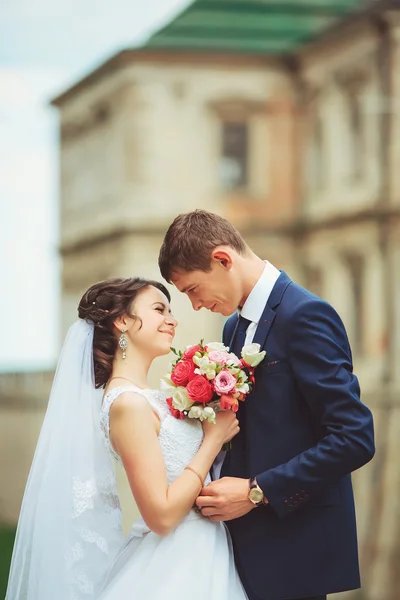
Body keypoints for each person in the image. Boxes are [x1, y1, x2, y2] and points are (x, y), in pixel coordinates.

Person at [158, 209, 376, 600]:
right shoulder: (232, 326)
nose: (194, 305)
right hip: (239, 550)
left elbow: (355, 437)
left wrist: (256, 491)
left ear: (222, 259)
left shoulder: (306, 315)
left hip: (293, 550)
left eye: (192, 289)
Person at [6, 277, 247, 600]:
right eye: (160, 309)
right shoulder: (128, 405)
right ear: (122, 321)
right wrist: (213, 440)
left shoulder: (154, 398)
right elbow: (160, 516)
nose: (172, 320)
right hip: (177, 564)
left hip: (203, 552)